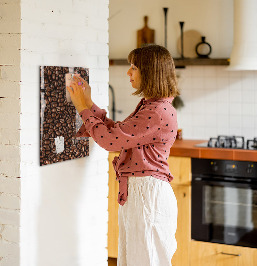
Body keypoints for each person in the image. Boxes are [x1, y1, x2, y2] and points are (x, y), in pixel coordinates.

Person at [67, 44, 179, 266]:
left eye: (134, 67)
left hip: (147, 197)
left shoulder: (156, 111)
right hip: (142, 195)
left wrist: (82, 107)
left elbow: (110, 141)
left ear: (150, 72)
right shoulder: (152, 106)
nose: (129, 73)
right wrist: (88, 103)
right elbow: (118, 133)